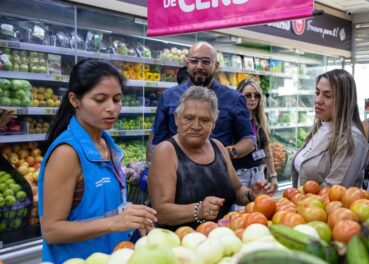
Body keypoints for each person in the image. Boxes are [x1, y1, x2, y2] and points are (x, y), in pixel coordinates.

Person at [38, 59, 157, 263]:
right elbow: (52, 230)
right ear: (75, 100)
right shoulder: (67, 153)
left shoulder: (106, 144)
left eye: (117, 99)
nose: (112, 108)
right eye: (100, 99)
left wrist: (129, 215)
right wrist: (114, 222)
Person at [148, 86, 275, 230]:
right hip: (182, 244)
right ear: (177, 119)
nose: (196, 126)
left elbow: (237, 190)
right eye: (189, 118)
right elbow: (161, 212)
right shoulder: (166, 151)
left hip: (222, 238)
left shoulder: (218, 147)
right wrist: (199, 210)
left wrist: (251, 195)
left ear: (213, 124)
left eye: (204, 120)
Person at [152, 41, 255, 162]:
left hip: (218, 175)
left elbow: (249, 140)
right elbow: (158, 142)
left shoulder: (235, 99)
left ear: (216, 66)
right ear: (186, 63)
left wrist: (226, 153)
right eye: (194, 61)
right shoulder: (168, 96)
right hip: (177, 174)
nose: (199, 66)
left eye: (206, 61)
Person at [291, 69, 369, 188]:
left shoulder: (352, 139)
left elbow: (334, 191)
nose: (318, 101)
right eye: (317, 93)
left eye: (328, 96)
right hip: (304, 205)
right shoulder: (321, 127)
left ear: (344, 101)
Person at [235, 79, 278, 192]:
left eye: (256, 95)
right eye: (248, 95)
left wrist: (273, 176)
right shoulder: (233, 120)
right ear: (239, 96)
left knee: (260, 208)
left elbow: (267, 150)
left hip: (259, 175)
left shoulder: (260, 119)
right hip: (240, 177)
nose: (253, 99)